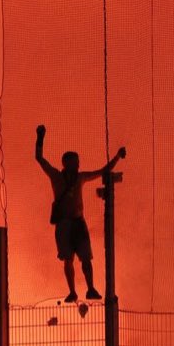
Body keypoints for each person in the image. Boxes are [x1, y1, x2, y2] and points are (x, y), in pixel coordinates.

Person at [35, 124, 125, 302]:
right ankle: (73, 291)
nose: (77, 164)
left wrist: (117, 157)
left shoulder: (80, 177)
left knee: (85, 258)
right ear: (66, 164)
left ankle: (90, 288)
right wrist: (40, 137)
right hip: (64, 224)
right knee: (68, 259)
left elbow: (102, 171)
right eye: (75, 162)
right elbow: (39, 158)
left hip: (78, 222)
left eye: (77, 162)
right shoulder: (57, 177)